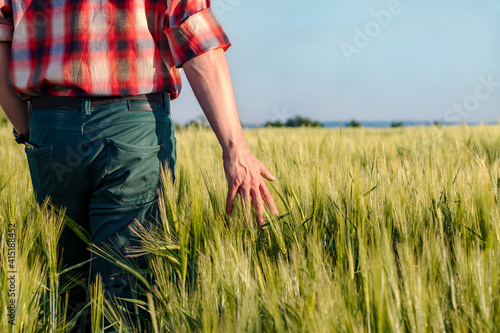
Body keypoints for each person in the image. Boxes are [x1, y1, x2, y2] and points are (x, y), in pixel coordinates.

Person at [0, 0, 279, 330]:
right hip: (131, 128)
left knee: (67, 297)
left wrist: (31, 132)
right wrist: (236, 149)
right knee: (123, 297)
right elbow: (193, 31)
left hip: (50, 128)